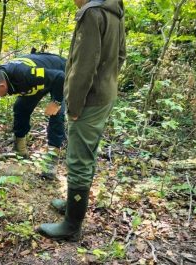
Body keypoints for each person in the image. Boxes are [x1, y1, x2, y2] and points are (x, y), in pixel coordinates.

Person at [37, 0, 126, 241]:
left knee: (78, 158)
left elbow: (84, 66)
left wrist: (74, 104)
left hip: (89, 98)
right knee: (87, 151)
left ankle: (71, 226)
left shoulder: (92, 13)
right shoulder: (114, 10)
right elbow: (120, 55)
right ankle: (72, 203)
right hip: (105, 93)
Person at [0, 53, 67, 179]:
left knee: (56, 114)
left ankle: (51, 160)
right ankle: (20, 150)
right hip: (36, 85)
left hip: (60, 74)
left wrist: (56, 102)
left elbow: (59, 77)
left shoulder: (26, 74)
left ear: (2, 86)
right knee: (20, 108)